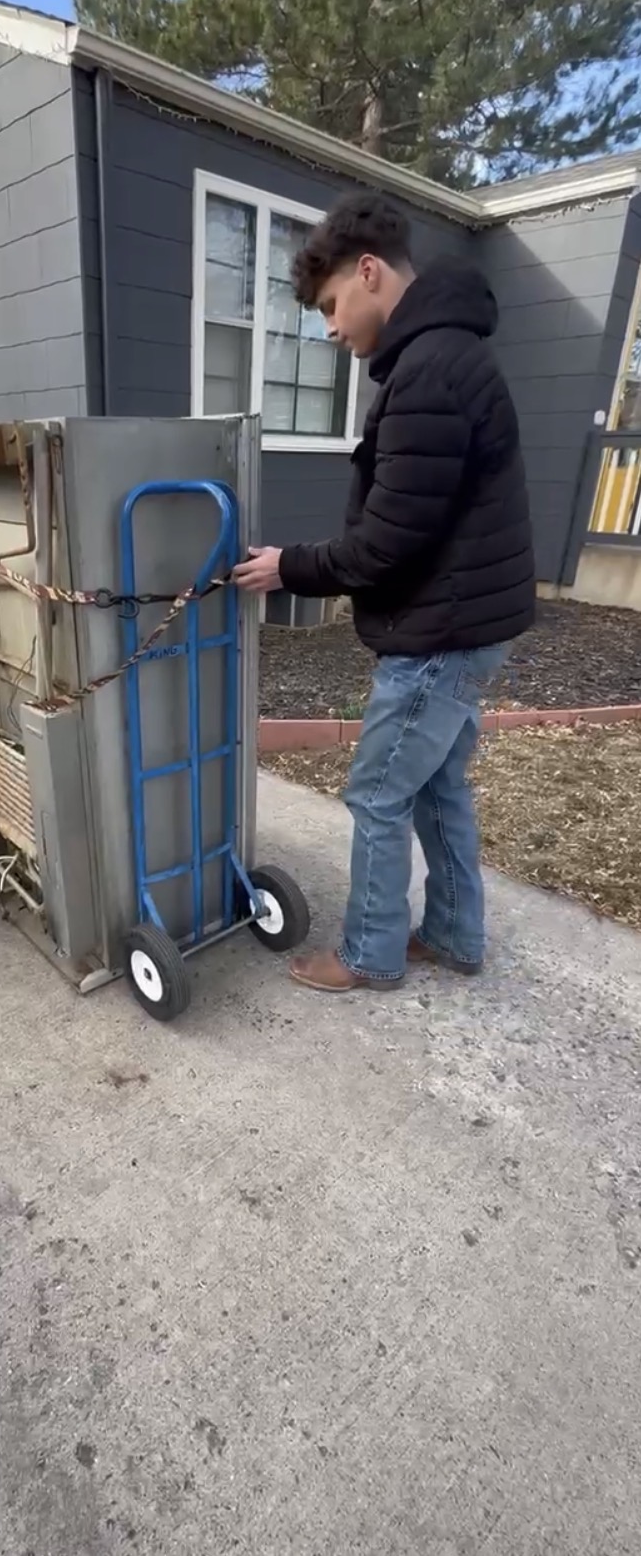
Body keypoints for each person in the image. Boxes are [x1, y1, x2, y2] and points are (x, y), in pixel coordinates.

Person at [232, 194, 535, 994]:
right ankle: (455, 935)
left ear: (368, 272)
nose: (329, 328)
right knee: (434, 785)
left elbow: (387, 542)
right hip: (466, 621)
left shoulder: (428, 371)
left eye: (331, 304)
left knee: (375, 789)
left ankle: (369, 953)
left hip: (442, 630)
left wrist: (288, 566)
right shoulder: (442, 354)